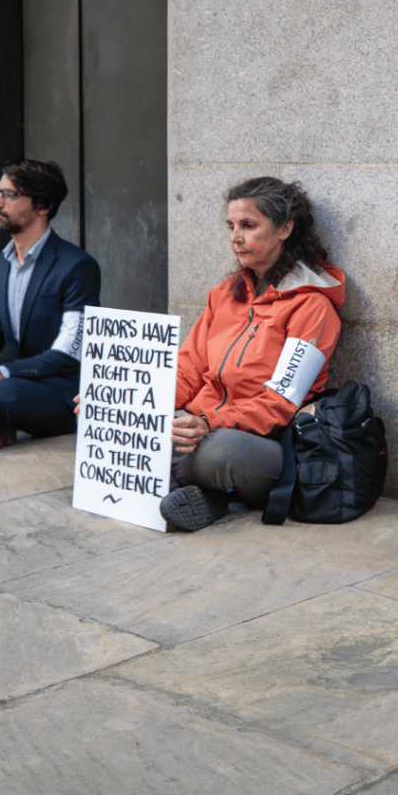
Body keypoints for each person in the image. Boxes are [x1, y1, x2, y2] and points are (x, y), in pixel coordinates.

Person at [159, 177, 345, 532]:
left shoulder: (313, 307)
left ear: (285, 228)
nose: (235, 237)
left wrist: (209, 423)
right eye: (230, 226)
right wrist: (131, 405)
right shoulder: (223, 295)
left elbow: (279, 403)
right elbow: (188, 369)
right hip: (206, 426)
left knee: (216, 452)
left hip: (266, 445)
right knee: (156, 434)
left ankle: (190, 482)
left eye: (248, 225)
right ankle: (208, 497)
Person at [0, 160, 101, 452]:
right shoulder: (2, 264)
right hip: (21, 387)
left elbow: (67, 353)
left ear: (43, 206)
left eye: (9, 195)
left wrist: (4, 371)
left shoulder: (77, 266)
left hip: (62, 394)